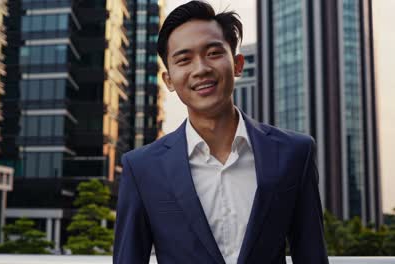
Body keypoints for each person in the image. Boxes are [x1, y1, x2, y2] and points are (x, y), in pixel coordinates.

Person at [114, 1, 329, 263]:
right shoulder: (141, 168)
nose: (201, 68)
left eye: (214, 53)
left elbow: (312, 255)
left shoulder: (294, 153)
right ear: (168, 80)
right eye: (184, 59)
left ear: (237, 64)